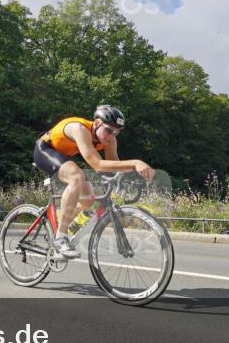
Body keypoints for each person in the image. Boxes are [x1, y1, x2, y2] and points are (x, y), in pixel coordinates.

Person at [33, 105, 154, 259]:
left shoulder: (110, 139)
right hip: (45, 150)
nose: (111, 136)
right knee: (76, 176)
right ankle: (60, 237)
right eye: (108, 130)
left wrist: (131, 177)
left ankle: (64, 220)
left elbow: (113, 166)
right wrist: (135, 163)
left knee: (88, 200)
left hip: (63, 156)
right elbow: (97, 165)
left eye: (116, 132)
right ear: (97, 123)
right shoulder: (80, 129)